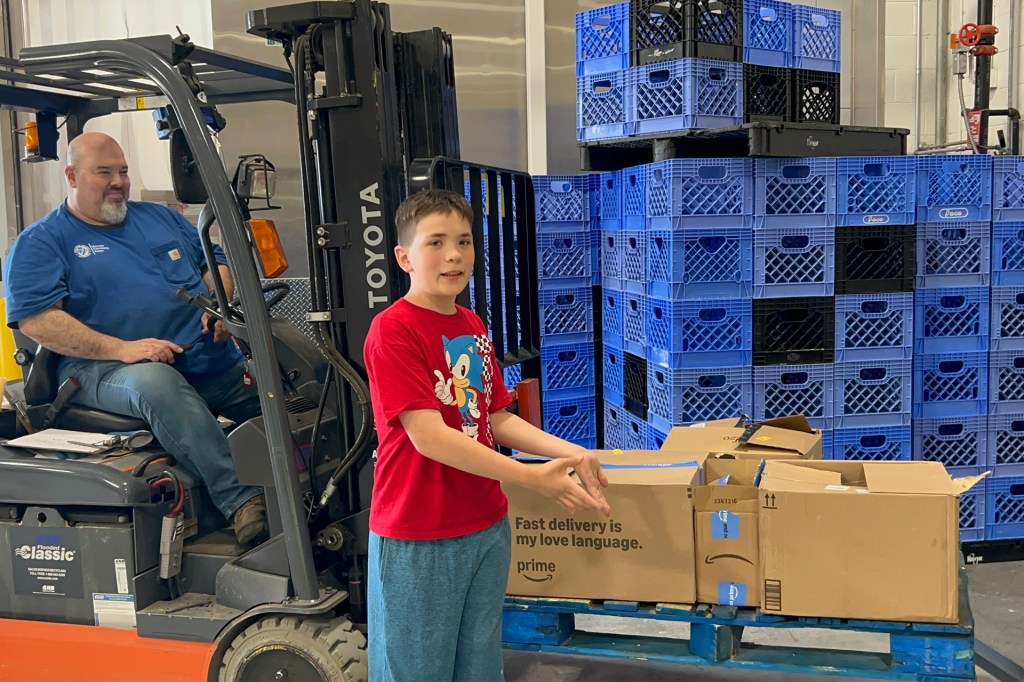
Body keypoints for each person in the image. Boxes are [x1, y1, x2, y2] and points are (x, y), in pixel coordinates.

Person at [363, 189, 612, 682]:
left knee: (478, 666)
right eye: (436, 242)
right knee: (418, 671)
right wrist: (531, 478)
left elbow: (494, 416)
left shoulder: (471, 324)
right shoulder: (392, 330)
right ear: (404, 257)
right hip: (420, 532)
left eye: (464, 241)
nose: (454, 255)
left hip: (484, 524)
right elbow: (430, 437)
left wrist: (574, 452)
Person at [4, 132, 267, 545]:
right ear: (71, 176)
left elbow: (216, 260)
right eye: (104, 172)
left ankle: (317, 482)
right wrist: (123, 349)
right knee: (157, 383)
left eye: (123, 172)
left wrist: (219, 303)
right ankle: (242, 500)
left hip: (198, 357)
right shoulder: (42, 241)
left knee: (282, 383)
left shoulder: (159, 218)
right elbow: (38, 321)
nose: (118, 182)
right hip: (100, 369)